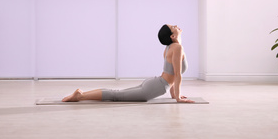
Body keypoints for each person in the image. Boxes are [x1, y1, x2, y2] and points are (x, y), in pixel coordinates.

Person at [62, 24, 194, 103]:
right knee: (116, 96)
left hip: (155, 83)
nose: (176, 25)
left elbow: (171, 73)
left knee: (117, 93)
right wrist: (177, 98)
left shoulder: (171, 48)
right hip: (156, 87)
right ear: (172, 36)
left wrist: (174, 95)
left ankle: (82, 95)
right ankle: (81, 96)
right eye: (173, 27)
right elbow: (177, 74)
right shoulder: (177, 48)